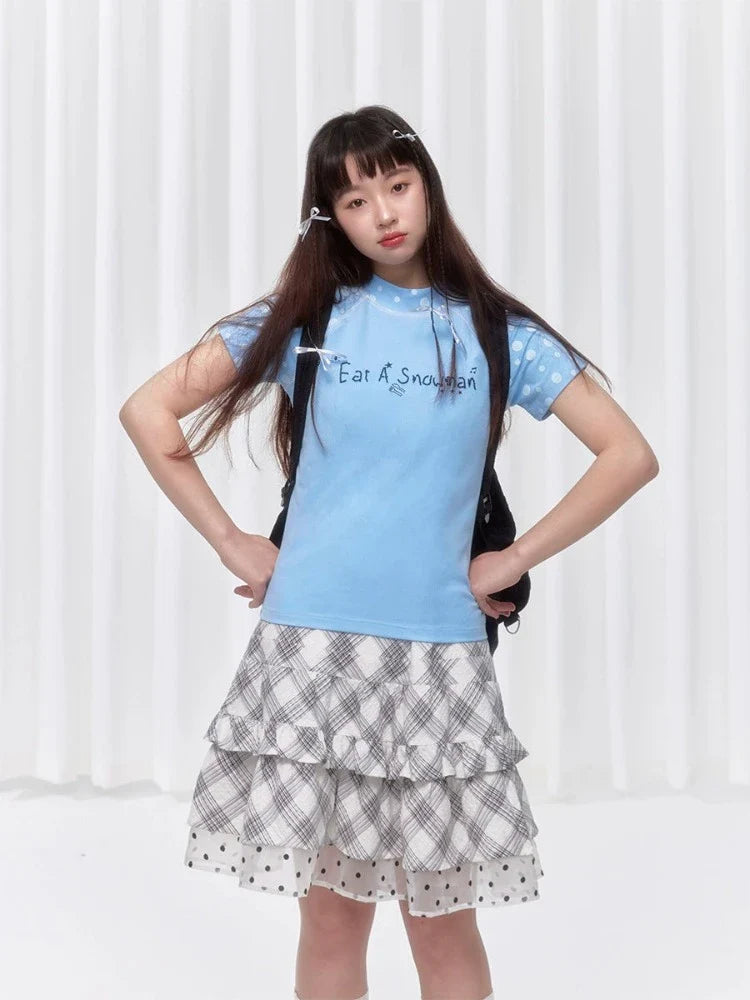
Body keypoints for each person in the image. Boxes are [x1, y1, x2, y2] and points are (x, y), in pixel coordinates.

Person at [119, 105, 659, 1000]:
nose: (384, 214)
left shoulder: (497, 334)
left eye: (398, 186)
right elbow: (149, 410)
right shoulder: (306, 322)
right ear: (332, 217)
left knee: (440, 919)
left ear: (427, 187)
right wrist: (228, 539)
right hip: (310, 652)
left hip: (437, 659)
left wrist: (511, 558)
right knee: (332, 917)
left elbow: (628, 455)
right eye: (356, 200)